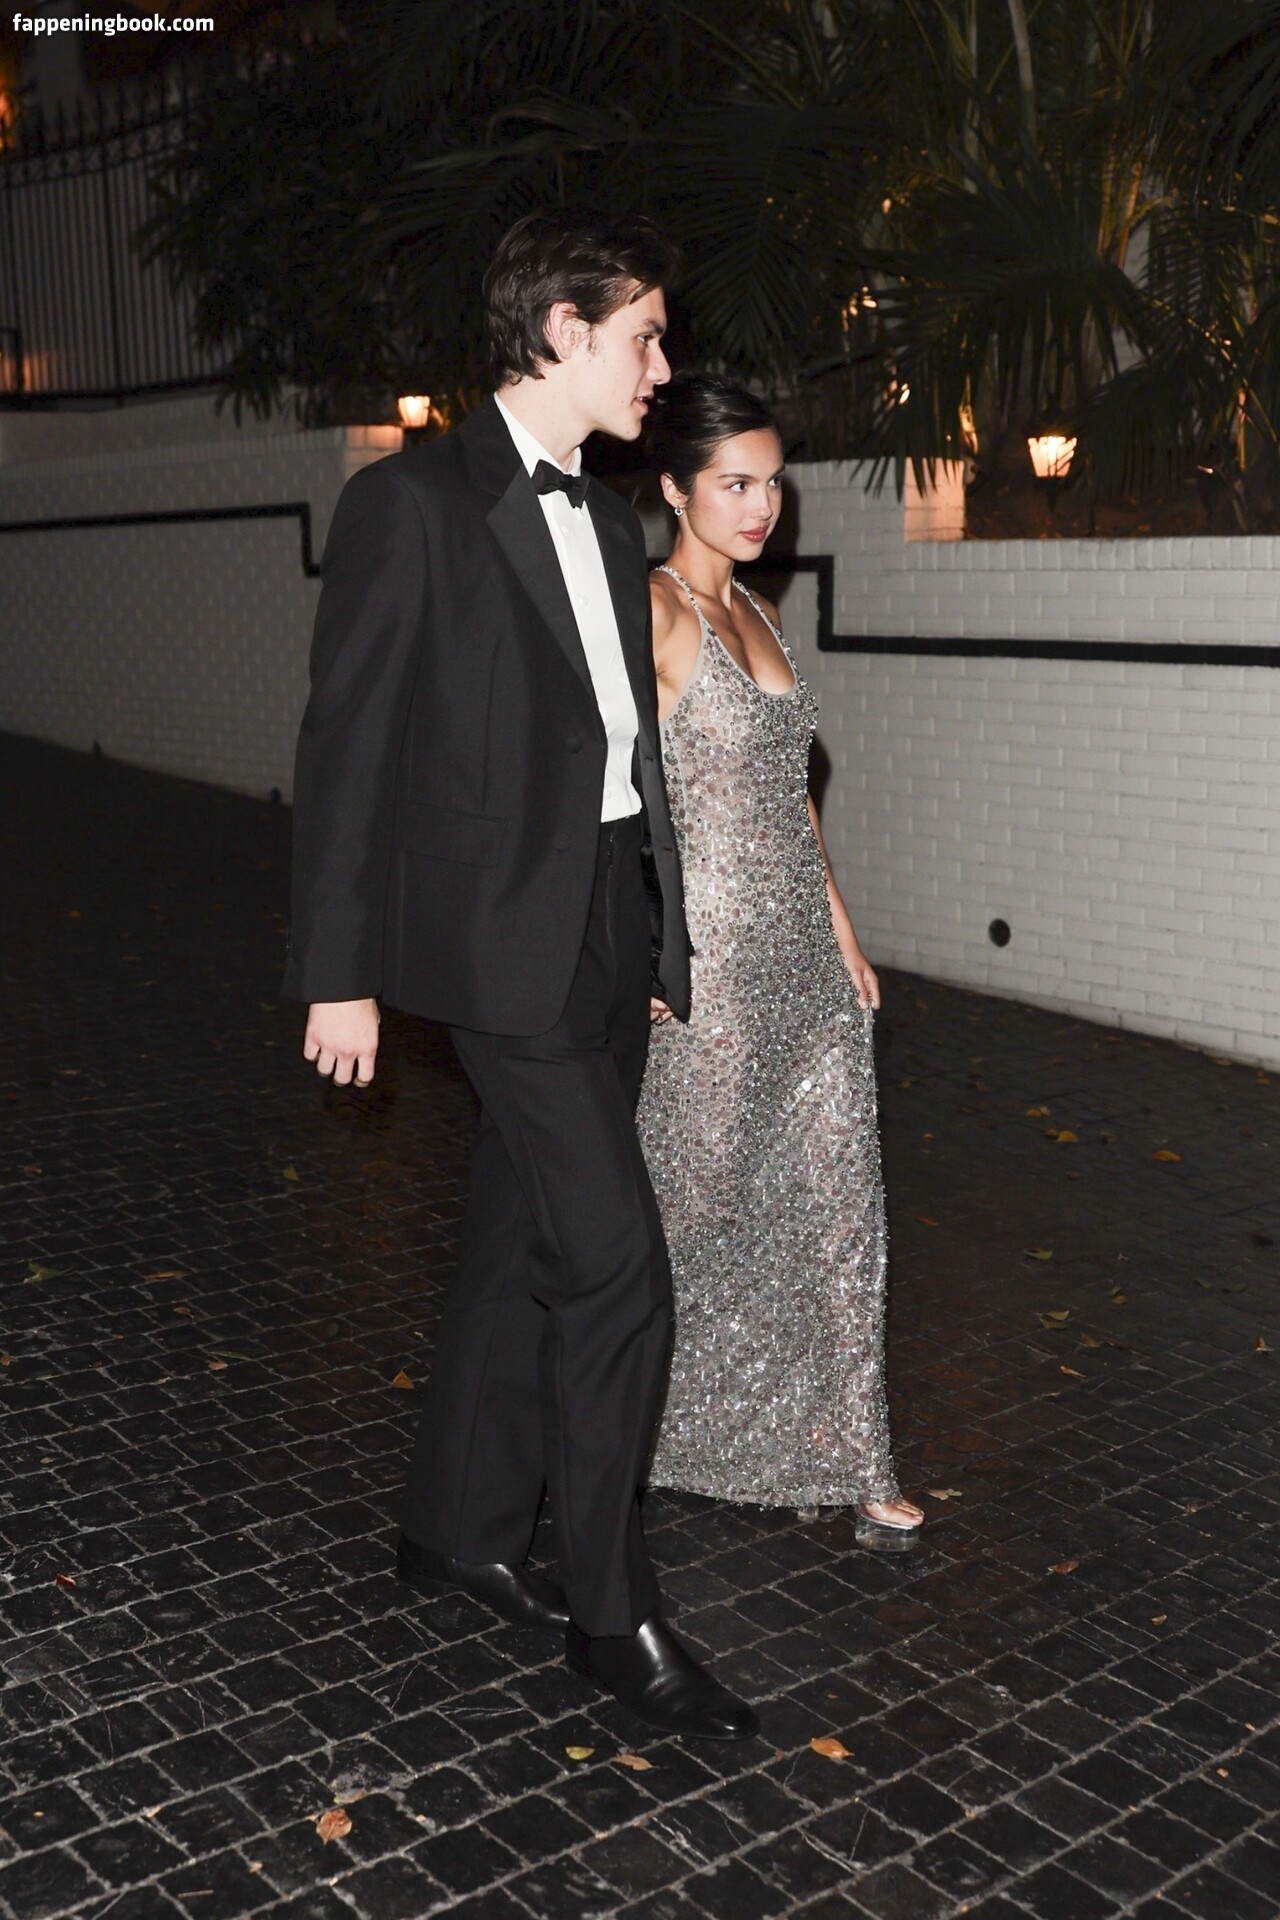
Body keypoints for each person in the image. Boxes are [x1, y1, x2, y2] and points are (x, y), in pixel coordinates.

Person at [283, 216, 757, 1739]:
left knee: (513, 1238)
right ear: (564, 330)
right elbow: (347, 747)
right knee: (616, 1270)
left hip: (607, 930)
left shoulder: (613, 524)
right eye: (645, 336)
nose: (661, 368)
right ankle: (614, 1618)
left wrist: (658, 934)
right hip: (492, 946)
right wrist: (339, 973)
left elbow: (628, 756)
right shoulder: (410, 504)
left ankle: (458, 1529)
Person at [637, 372, 923, 1549]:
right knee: (689, 1209)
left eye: (771, 483)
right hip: (709, 963)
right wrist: (645, 947)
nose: (761, 506)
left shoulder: (756, 608)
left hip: (803, 960)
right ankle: (629, 1428)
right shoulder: (652, 612)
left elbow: (788, 793)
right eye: (734, 484)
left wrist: (842, 930)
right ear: (674, 489)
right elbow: (606, 792)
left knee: (835, 1208)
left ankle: (854, 1455)